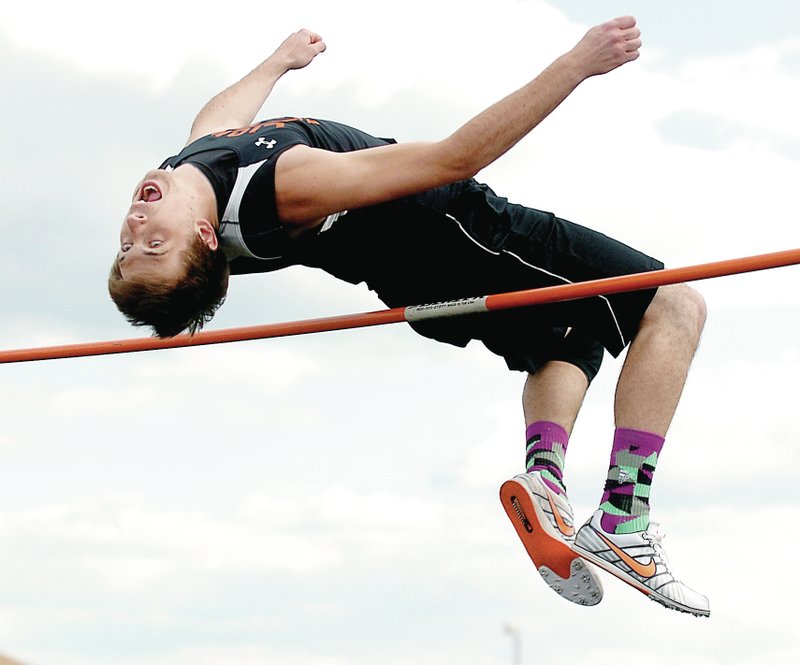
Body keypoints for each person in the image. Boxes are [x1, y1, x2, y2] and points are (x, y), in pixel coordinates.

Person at [109, 17, 709, 616]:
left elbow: (215, 124)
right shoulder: (284, 186)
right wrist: (577, 64)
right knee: (673, 302)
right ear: (207, 236)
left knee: (572, 333)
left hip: (407, 269)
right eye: (154, 248)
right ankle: (625, 519)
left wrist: (277, 62)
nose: (135, 230)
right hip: (458, 233)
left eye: (127, 248)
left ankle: (546, 479)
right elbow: (456, 157)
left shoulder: (192, 172)